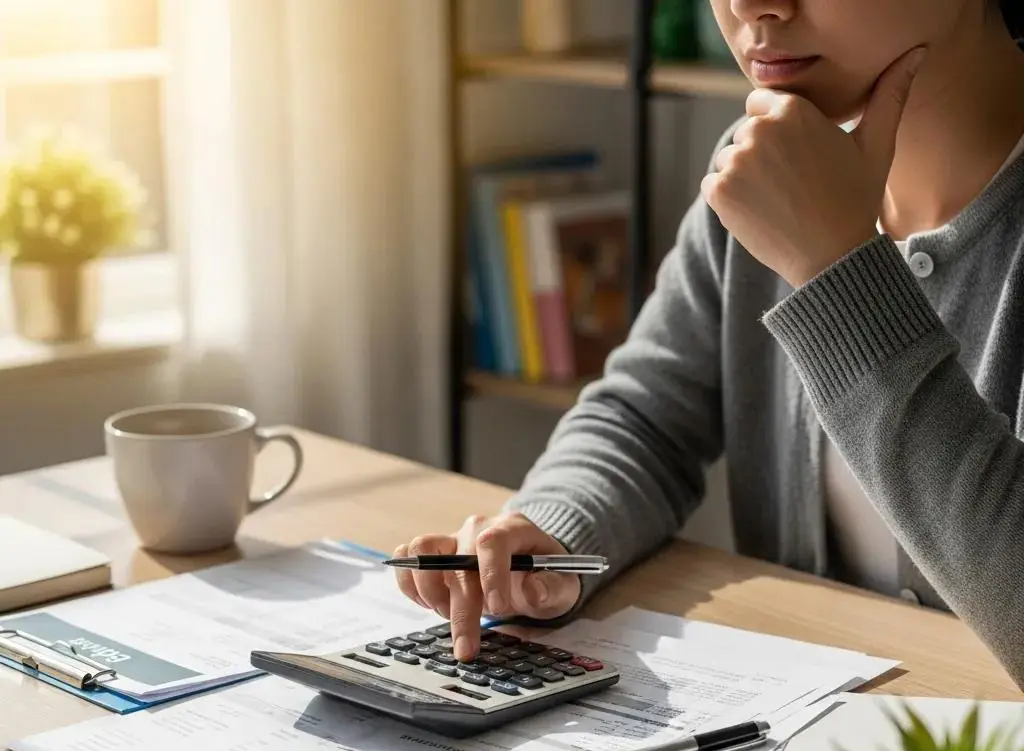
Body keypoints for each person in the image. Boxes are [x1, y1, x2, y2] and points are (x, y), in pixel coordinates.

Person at [395, 0, 1024, 681]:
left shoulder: (781, 181)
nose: (750, 4)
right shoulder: (761, 168)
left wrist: (837, 269)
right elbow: (645, 417)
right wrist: (552, 531)